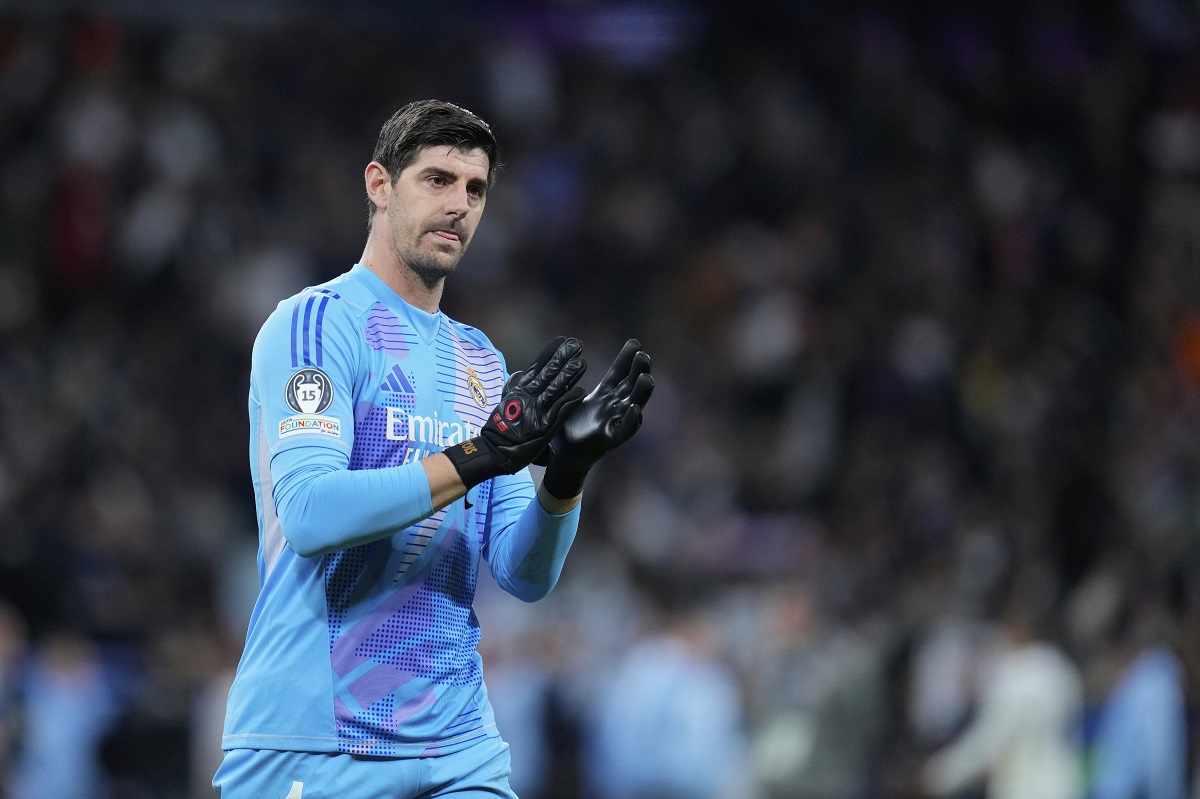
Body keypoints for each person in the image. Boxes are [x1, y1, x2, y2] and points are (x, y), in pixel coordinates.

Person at [213, 99, 654, 799]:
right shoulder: (313, 324)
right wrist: (479, 455)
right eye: (437, 180)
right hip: (315, 738)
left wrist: (563, 477)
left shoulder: (479, 361)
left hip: (456, 743)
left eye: (475, 189)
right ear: (379, 185)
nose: (459, 205)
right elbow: (310, 513)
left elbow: (522, 572)